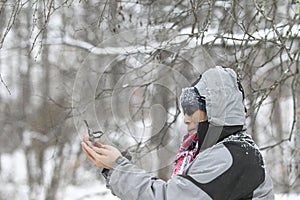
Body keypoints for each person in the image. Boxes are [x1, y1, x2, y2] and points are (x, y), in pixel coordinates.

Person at [81, 66, 274, 200]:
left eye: (192, 108)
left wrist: (118, 167)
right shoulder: (230, 150)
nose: (185, 118)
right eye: (184, 109)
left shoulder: (232, 156)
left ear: (217, 109)